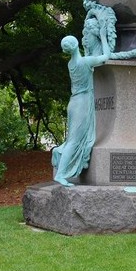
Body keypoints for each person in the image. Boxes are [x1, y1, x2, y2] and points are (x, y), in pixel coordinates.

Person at [52, 22, 111, 187]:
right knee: (74, 141)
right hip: (82, 103)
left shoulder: (72, 63)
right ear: (77, 44)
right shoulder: (85, 62)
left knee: (74, 138)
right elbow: (106, 56)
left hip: (74, 102)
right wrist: (103, 37)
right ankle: (61, 174)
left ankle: (59, 155)